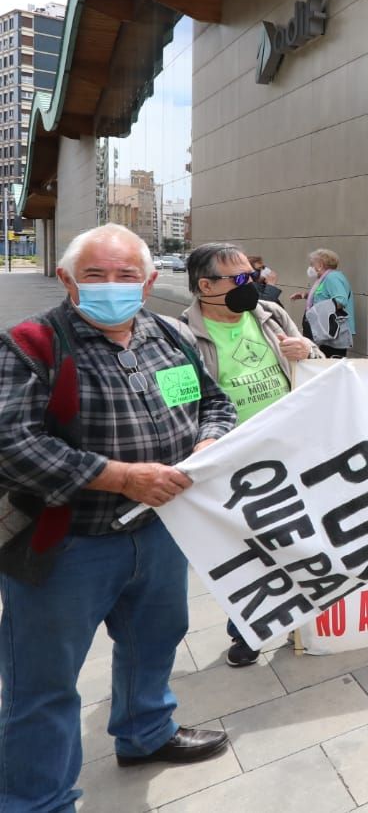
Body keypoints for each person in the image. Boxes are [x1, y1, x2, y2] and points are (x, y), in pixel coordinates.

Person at [0, 225, 237, 810]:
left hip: (160, 535)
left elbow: (215, 404)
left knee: (154, 642)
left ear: (150, 281)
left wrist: (211, 442)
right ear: (67, 280)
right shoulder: (32, 343)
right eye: (96, 275)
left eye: (127, 276)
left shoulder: (171, 335)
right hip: (68, 546)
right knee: (42, 684)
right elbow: (11, 442)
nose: (113, 287)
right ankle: (37, 799)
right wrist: (122, 476)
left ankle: (145, 733)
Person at [182, 241, 321, 667]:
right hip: (234, 463)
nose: (252, 285)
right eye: (239, 279)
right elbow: (181, 405)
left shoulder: (272, 314)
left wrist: (308, 352)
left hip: (290, 448)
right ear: (205, 285)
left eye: (253, 277)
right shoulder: (182, 336)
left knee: (302, 539)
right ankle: (247, 629)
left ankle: (306, 619)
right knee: (248, 552)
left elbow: (312, 362)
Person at [291, 248, 356, 358]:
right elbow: (323, 296)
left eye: (312, 264)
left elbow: (341, 300)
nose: (310, 267)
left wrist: (318, 311)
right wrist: (305, 295)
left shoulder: (332, 277)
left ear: (320, 265)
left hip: (333, 333)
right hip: (326, 333)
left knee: (331, 364)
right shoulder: (325, 278)